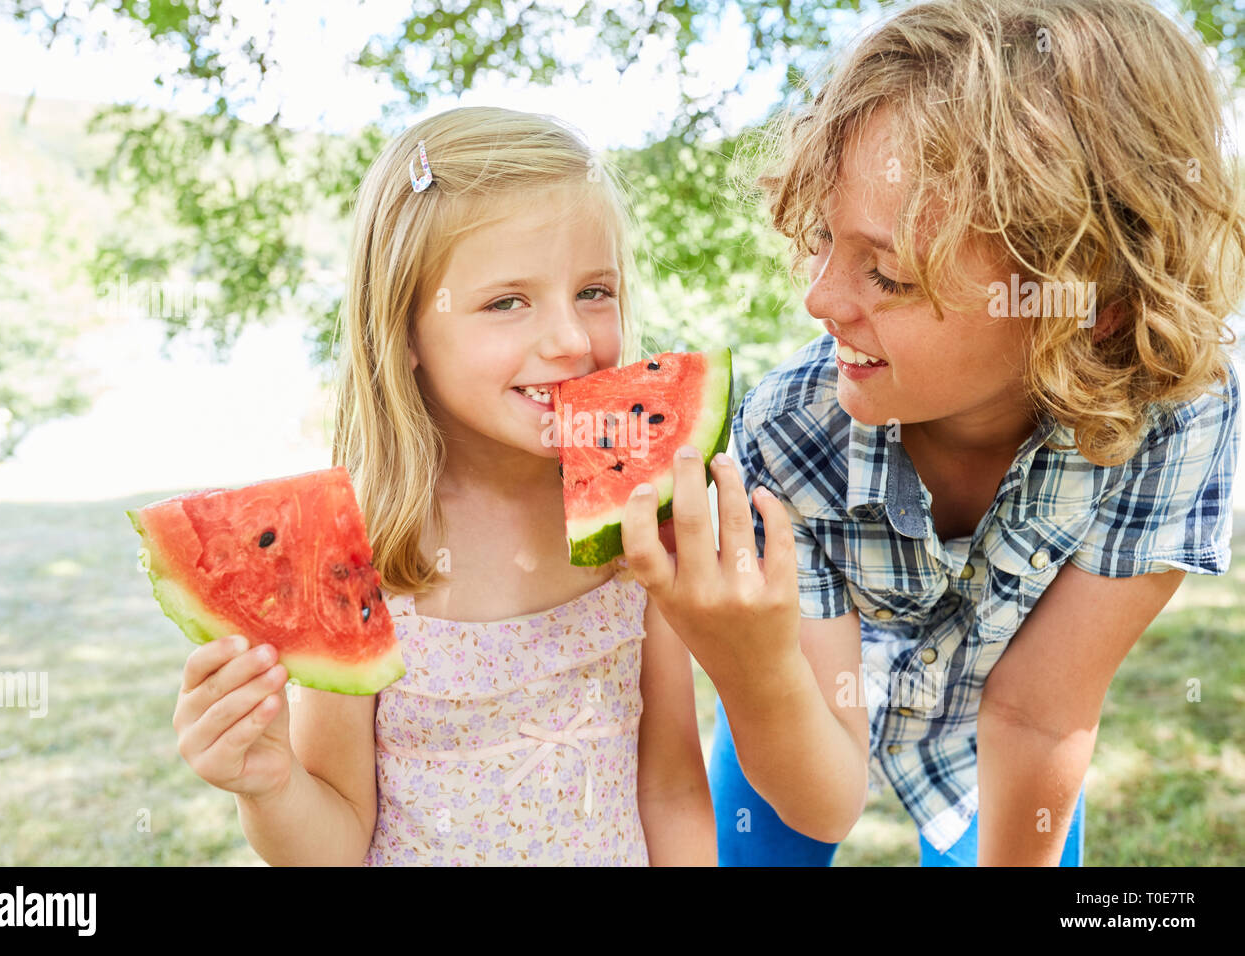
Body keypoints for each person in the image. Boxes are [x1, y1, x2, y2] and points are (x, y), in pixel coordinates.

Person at [620, 0, 1242, 866]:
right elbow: (824, 798)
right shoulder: (792, 430)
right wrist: (752, 669)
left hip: (1001, 716)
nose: (821, 301)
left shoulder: (1179, 418)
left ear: (1090, 308)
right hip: (802, 693)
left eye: (885, 274)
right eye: (826, 243)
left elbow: (1039, 714)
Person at [171, 107, 715, 866]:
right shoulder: (355, 552)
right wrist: (268, 784)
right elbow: (334, 838)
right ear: (404, 332)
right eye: (507, 302)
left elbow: (674, 791)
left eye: (595, 291)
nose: (569, 339)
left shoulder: (634, 522)